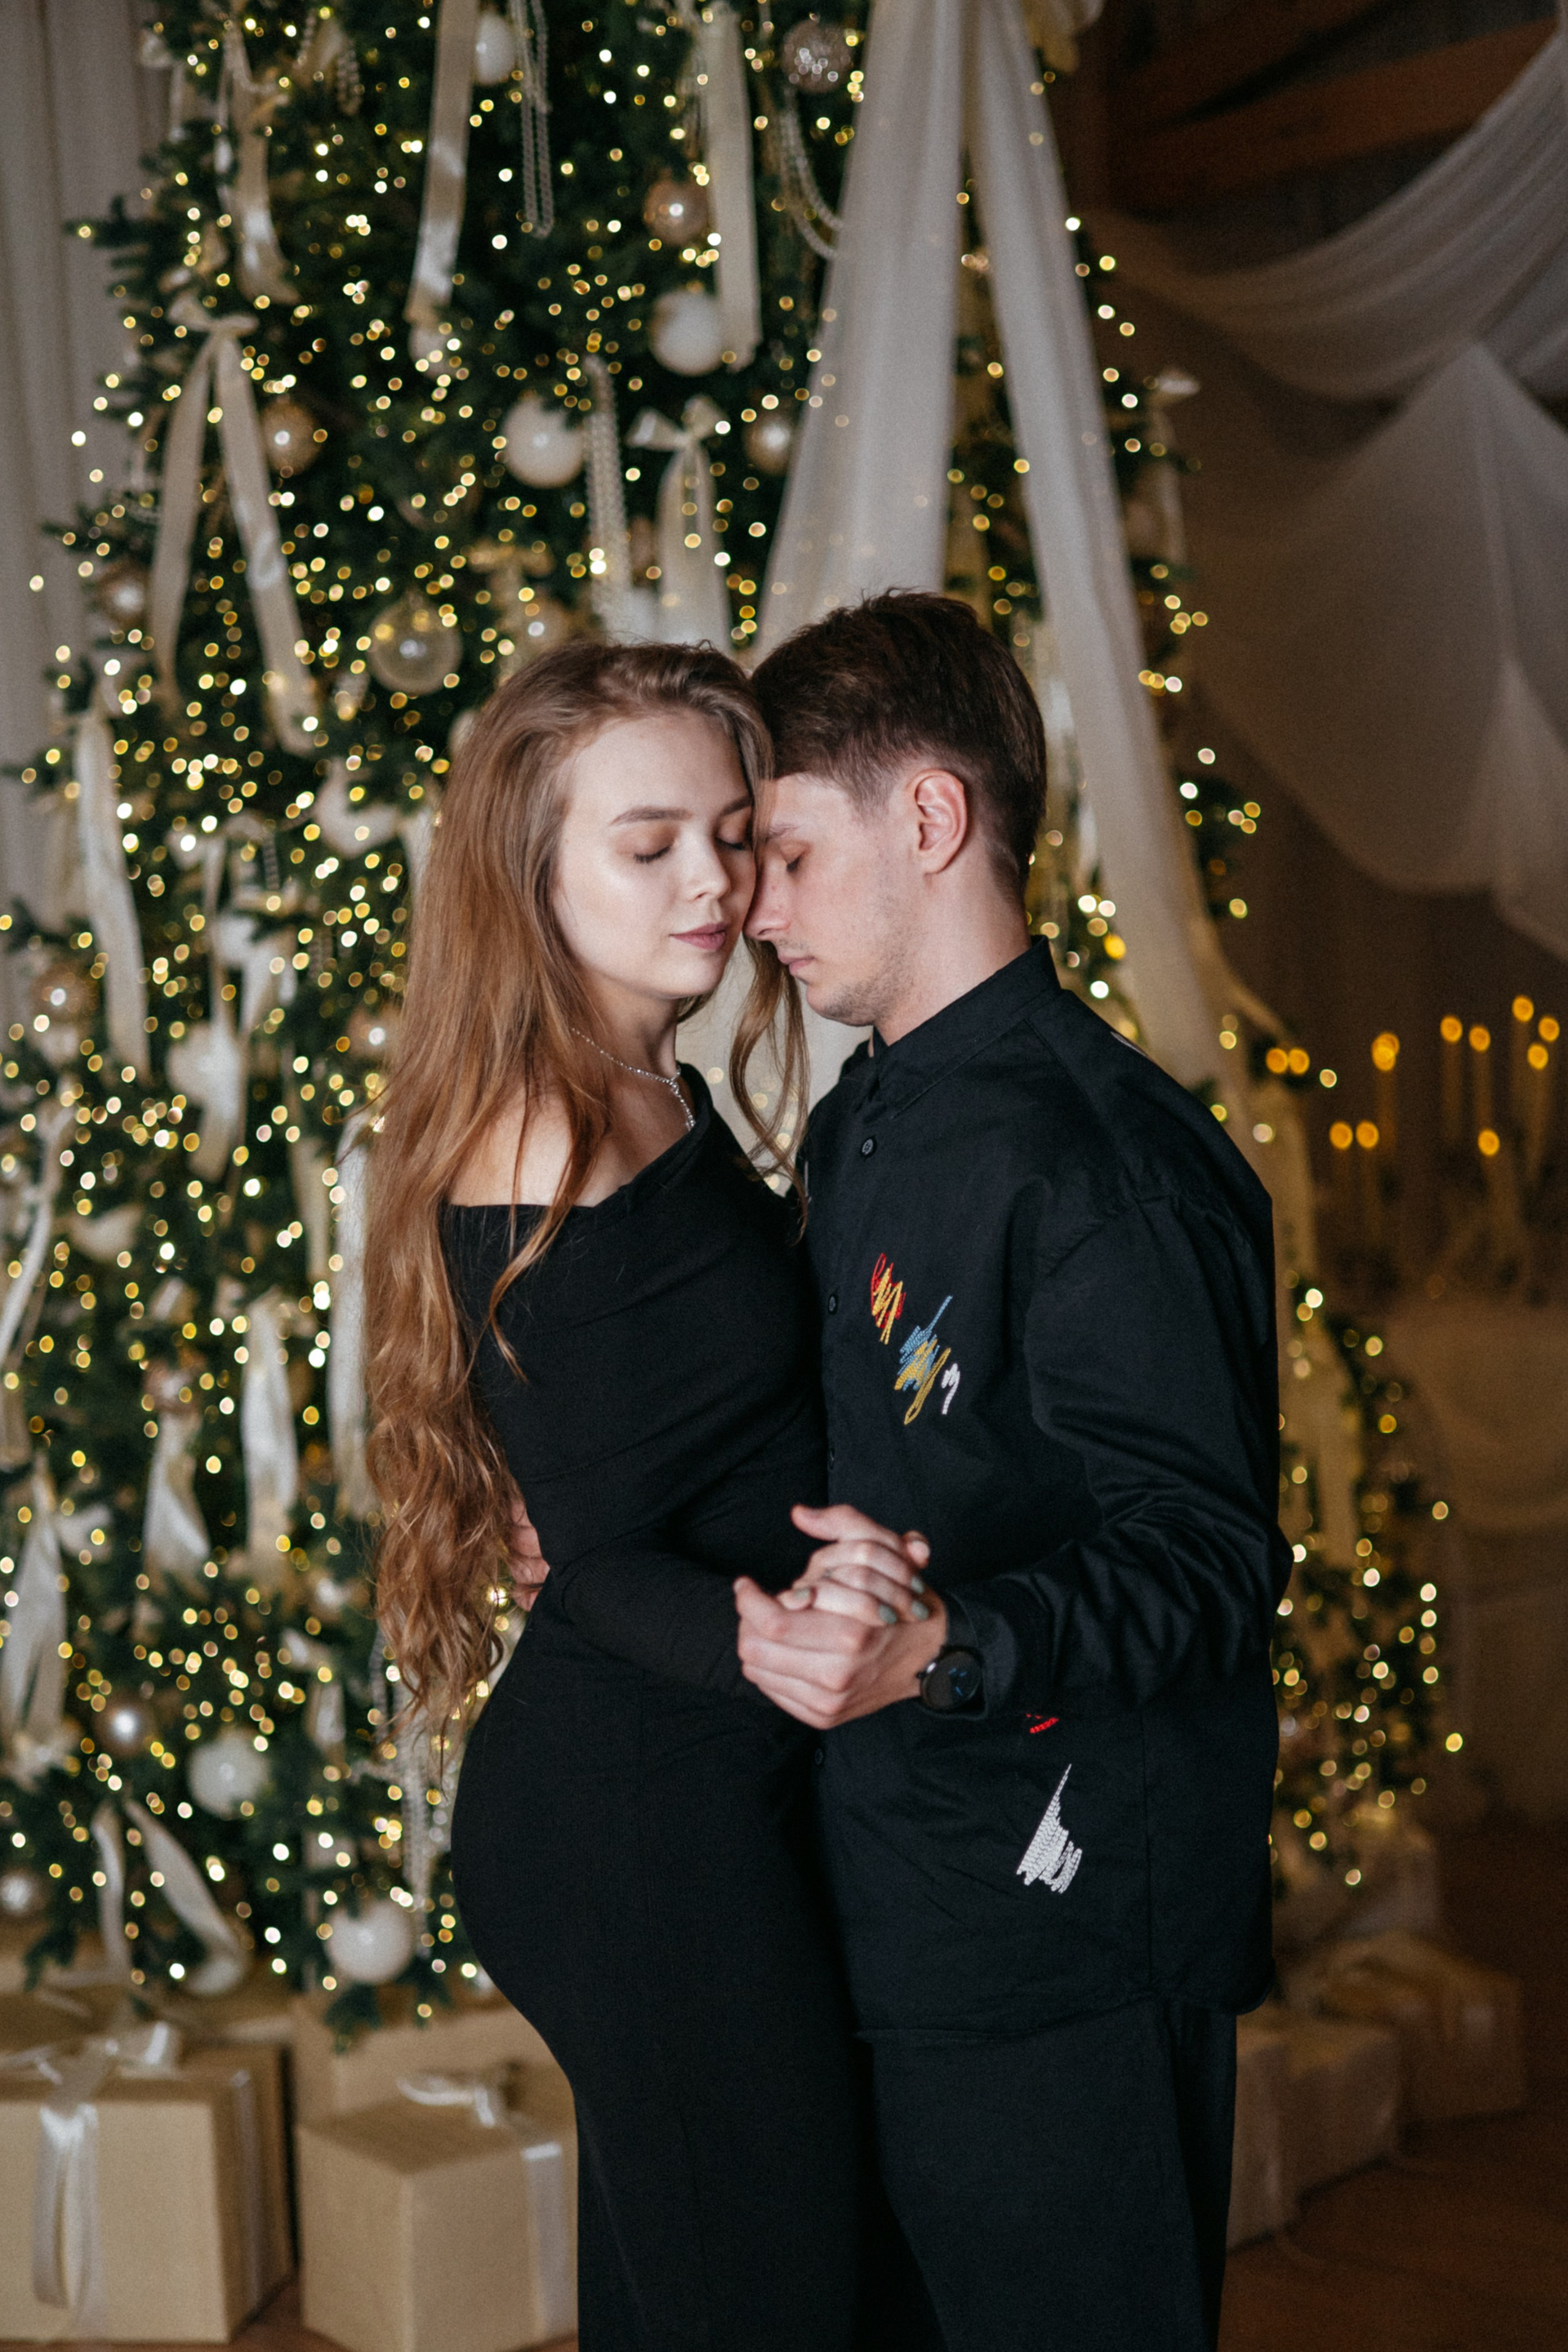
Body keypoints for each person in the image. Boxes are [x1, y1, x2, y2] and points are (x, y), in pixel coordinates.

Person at [721, 591, 1291, 2352]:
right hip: (888, 1892)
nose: (754, 909)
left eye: (789, 855)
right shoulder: (856, 1116)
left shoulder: (1115, 1167)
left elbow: (1210, 1558)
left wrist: (947, 1645)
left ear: (931, 816)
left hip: (1070, 1938)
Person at [365, 639, 933, 2352]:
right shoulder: (545, 1132)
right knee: (768, 2302)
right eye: (651, 843)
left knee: (703, 2288)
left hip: (695, 1790)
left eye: (733, 834)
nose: (713, 882)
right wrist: (783, 1635)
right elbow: (603, 1564)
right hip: (629, 1823)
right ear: (531, 873)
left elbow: (634, 1473)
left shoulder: (646, 1079)